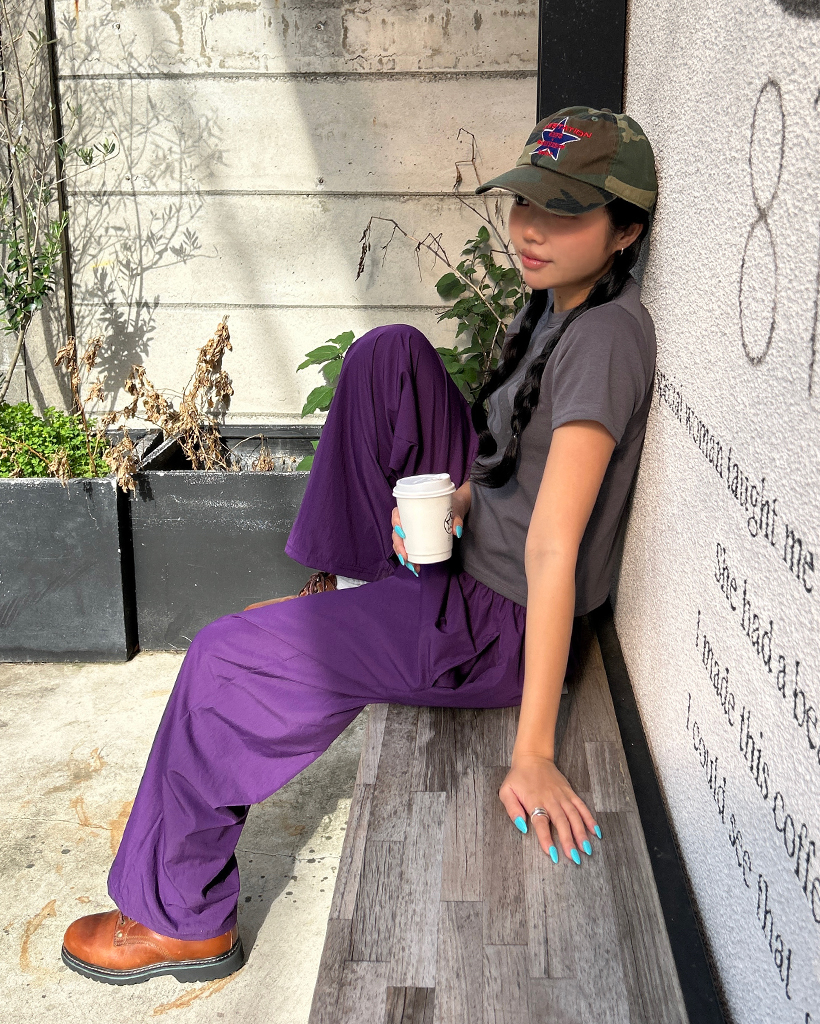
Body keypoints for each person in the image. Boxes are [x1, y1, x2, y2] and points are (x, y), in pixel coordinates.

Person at [60, 105, 658, 985]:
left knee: (222, 661)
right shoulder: (563, 303)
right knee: (389, 357)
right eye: (526, 202)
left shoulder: (603, 341)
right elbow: (515, 464)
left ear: (626, 232)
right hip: (474, 559)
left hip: (491, 622)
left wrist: (533, 752)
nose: (531, 229)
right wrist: (461, 496)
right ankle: (344, 594)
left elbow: (553, 552)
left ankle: (179, 918)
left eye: (564, 212)